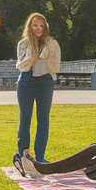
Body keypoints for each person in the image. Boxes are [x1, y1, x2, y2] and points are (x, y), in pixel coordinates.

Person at [16, 13, 61, 161]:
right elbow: (21, 64)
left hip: (45, 81)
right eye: (35, 25)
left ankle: (40, 158)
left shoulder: (52, 43)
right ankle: (24, 157)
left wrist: (45, 63)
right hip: (26, 81)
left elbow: (55, 63)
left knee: (43, 119)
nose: (38, 28)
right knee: (25, 118)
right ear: (30, 26)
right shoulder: (23, 43)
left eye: (41, 26)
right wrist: (33, 58)